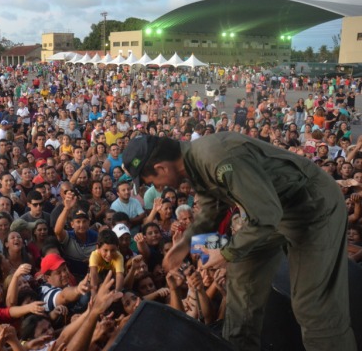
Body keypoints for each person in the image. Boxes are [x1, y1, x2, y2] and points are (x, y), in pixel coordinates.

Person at [122, 133, 357, 350]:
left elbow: (266, 215)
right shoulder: (194, 163)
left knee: (312, 306)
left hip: (312, 208)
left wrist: (226, 253)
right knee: (242, 279)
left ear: (161, 168)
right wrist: (184, 244)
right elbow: (211, 208)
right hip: (273, 210)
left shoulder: (217, 157)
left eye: (150, 181)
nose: (156, 188)